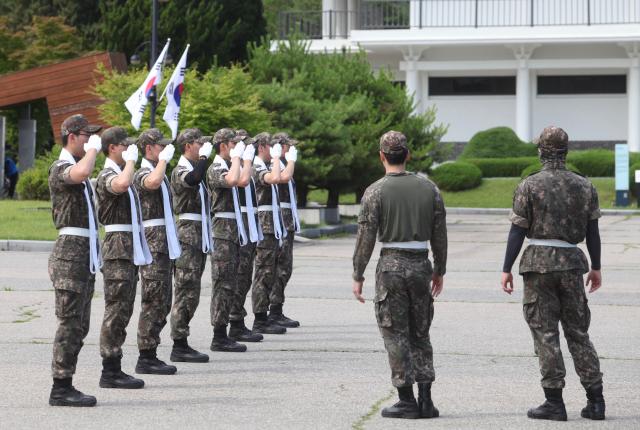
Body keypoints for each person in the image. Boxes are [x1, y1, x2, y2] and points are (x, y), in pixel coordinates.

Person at [501, 126, 605, 422]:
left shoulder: (529, 185)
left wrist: (506, 268)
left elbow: (517, 229)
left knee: (546, 334)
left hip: (539, 265)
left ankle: (554, 402)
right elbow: (593, 232)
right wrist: (596, 267)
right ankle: (596, 401)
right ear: (566, 151)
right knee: (578, 333)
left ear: (541, 152)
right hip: (572, 264)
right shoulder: (584, 185)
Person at [352, 131, 447, 420]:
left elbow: (366, 236)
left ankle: (406, 399)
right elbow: (439, 234)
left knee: (395, 333)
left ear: (381, 156)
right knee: (421, 332)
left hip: (391, 265)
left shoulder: (375, 191)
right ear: (407, 155)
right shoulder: (429, 188)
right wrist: (440, 269)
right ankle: (427, 400)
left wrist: (358, 274)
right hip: (421, 264)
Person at [48, 114, 102, 407]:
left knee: (81, 325)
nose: (90, 141)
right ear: (72, 136)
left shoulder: (76, 166)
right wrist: (93, 151)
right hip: (70, 255)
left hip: (83, 254)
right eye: (86, 136)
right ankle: (60, 387)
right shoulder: (60, 168)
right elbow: (80, 174)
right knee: (69, 323)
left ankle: (66, 382)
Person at [95, 127, 147, 389]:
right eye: (124, 146)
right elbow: (123, 185)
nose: (129, 150)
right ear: (112, 147)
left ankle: (115, 366)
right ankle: (110, 370)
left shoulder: (119, 170)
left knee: (124, 308)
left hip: (127, 247)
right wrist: (130, 163)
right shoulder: (108, 174)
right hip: (117, 249)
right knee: (116, 309)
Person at [133, 128, 181, 375]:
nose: (164, 150)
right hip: (152, 244)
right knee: (153, 299)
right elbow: (151, 183)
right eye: (160, 146)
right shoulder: (143, 172)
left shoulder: (158, 170)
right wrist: (163, 162)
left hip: (163, 244)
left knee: (163, 299)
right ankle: (146, 356)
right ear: (148, 148)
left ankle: (152, 351)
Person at [206, 128, 254, 352]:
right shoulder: (216, 167)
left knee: (232, 283)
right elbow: (235, 179)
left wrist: (246, 159)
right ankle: (218, 335)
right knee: (222, 284)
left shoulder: (227, 165)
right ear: (223, 145)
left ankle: (227, 329)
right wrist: (238, 158)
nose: (237, 146)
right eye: (233, 144)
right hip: (221, 232)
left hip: (232, 231)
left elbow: (244, 180)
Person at [168, 128, 213, 362]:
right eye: (199, 143)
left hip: (198, 234)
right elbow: (194, 179)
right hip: (187, 233)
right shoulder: (181, 170)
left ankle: (182, 340)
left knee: (192, 290)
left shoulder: (193, 168)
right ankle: (179, 343)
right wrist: (205, 159)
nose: (203, 147)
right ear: (187, 146)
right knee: (185, 288)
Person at [250, 132, 289, 335]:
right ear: (262, 147)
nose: (273, 150)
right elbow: (276, 178)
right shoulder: (256, 166)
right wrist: (277, 159)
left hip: (271, 224)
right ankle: (260, 318)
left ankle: (264, 316)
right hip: (263, 225)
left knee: (270, 272)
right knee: (263, 273)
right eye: (269, 146)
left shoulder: (262, 165)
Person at [228, 130, 264, 343]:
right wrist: (244, 161)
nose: (249, 149)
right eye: (244, 145)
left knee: (245, 276)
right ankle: (235, 322)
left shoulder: (244, 166)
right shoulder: (232, 169)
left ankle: (238, 321)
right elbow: (241, 182)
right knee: (238, 276)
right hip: (237, 225)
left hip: (248, 224)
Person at [270, 132, 300, 328]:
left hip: (286, 222)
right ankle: (272, 310)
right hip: (278, 221)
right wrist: (291, 162)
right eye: (287, 146)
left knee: (284, 269)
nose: (291, 150)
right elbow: (283, 178)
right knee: (277, 269)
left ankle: (276, 308)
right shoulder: (277, 166)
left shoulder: (281, 164)